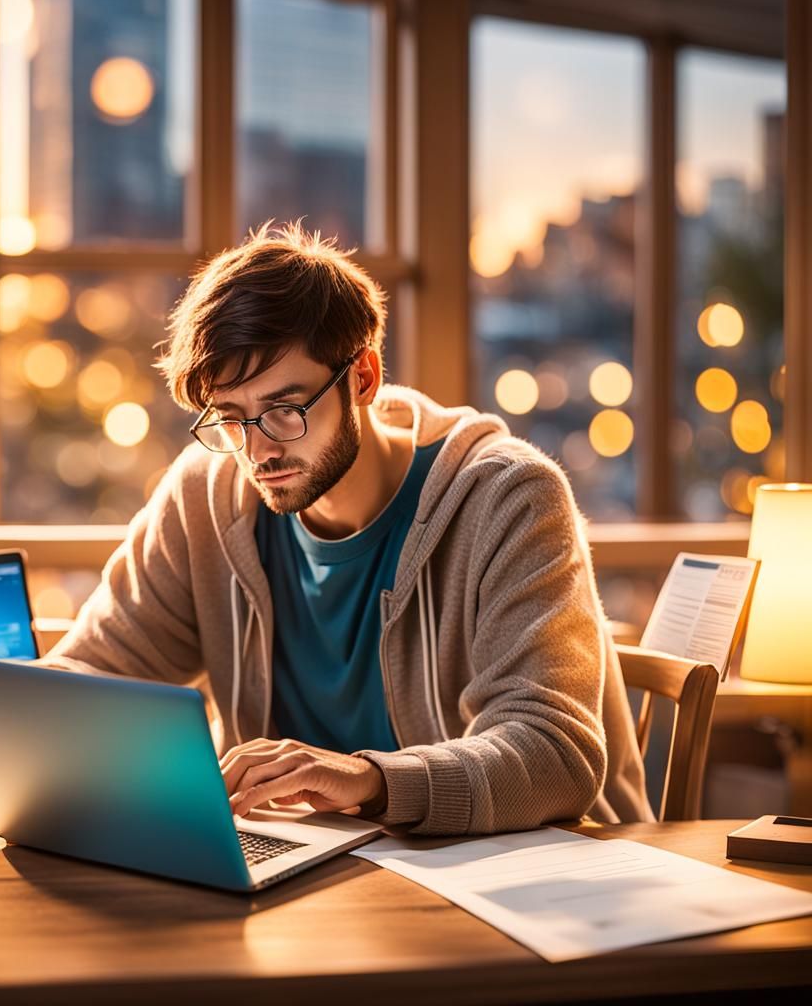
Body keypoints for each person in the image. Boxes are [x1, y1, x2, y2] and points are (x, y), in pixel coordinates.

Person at [48, 221, 654, 834]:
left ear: (363, 377)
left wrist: (370, 780)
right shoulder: (208, 494)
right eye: (232, 419)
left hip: (531, 875)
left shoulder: (509, 499)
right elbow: (96, 672)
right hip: (313, 877)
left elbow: (554, 755)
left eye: (285, 411)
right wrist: (1, 707)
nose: (257, 451)